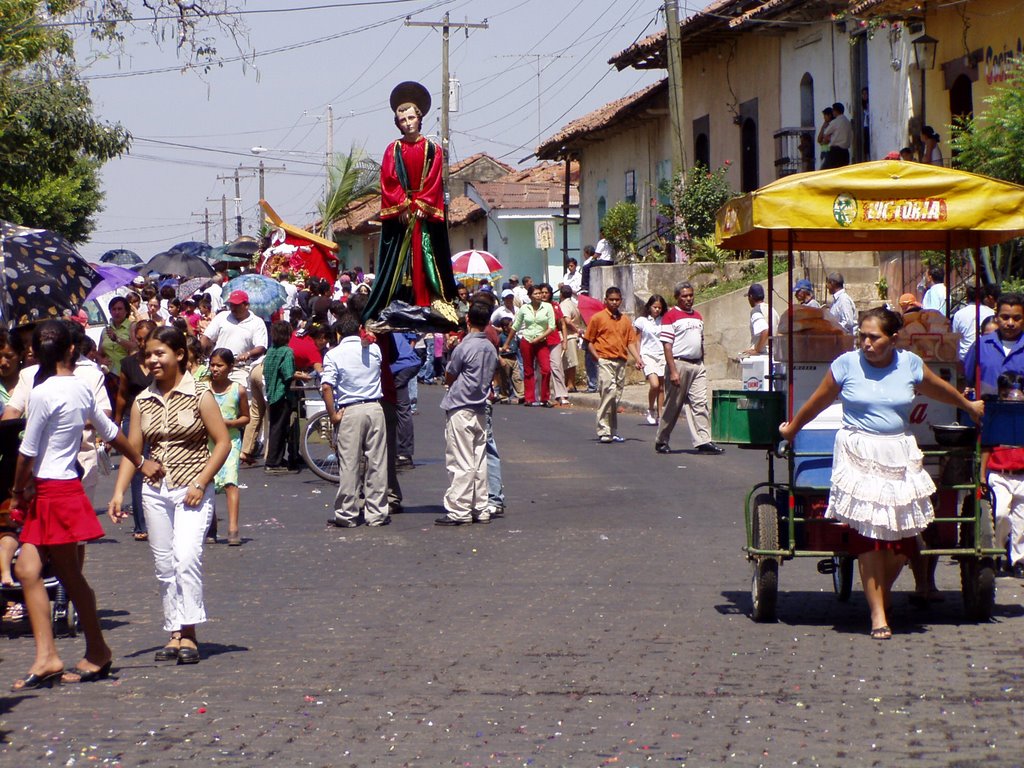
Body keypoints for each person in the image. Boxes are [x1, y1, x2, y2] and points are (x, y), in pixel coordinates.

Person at [779, 307, 983, 639]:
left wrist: (968, 406)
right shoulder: (845, 364)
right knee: (870, 538)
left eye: (873, 337)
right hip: (858, 450)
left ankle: (881, 596)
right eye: (862, 336)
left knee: (903, 538)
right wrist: (792, 429)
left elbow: (940, 389)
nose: (866, 343)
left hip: (898, 450)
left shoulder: (910, 364)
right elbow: (818, 401)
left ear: (893, 339)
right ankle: (878, 615)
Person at [9, 321, 154, 690]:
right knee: (28, 571)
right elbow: (109, 430)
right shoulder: (81, 387)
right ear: (71, 350)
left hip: (52, 489)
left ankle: (97, 650)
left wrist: (15, 490)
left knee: (69, 576)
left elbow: (27, 450)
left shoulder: (43, 391)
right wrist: (140, 461)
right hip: (56, 488)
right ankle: (48, 657)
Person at [108, 326, 231, 665]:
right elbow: (133, 452)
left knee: (187, 556)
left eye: (159, 353)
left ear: (178, 354)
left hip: (192, 490)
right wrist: (119, 493)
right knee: (164, 565)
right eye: (148, 354)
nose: (152, 360)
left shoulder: (200, 394)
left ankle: (190, 632)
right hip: (155, 493)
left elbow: (222, 442)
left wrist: (202, 481)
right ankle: (174, 631)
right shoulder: (142, 401)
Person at [363, 81, 458, 322]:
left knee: (426, 252)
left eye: (411, 118)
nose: (408, 123)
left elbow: (435, 179)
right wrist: (403, 205)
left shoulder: (432, 149)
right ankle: (396, 299)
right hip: (402, 212)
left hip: (423, 211)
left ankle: (429, 300)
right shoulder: (392, 149)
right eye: (403, 120)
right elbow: (388, 180)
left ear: (419, 118)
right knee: (397, 257)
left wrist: (422, 205)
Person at [321, 312, 389, 528]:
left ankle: (347, 513)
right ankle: (376, 513)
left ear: (338, 333)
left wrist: (332, 414)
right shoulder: (374, 349)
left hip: (350, 410)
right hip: (374, 408)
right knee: (377, 463)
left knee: (349, 465)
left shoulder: (334, 354)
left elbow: (326, 387)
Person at [435, 303, 499, 526]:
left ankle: (459, 510)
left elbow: (450, 373)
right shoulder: (490, 347)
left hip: (461, 406)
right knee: (479, 460)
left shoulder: (464, 346)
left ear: (468, 321)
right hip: (480, 406)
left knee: (461, 461)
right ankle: (480, 507)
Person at [201, 290, 268, 465]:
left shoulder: (256, 322)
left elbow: (261, 347)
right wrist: (202, 349)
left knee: (239, 403)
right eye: (231, 305)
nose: (234, 308)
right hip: (216, 365)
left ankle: (243, 443)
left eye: (237, 305)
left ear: (246, 305)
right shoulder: (222, 317)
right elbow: (207, 336)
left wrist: (247, 354)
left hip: (240, 368)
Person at [655, 282, 722, 455]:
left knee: (700, 403)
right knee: (673, 405)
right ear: (677, 297)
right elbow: (667, 346)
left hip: (697, 365)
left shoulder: (698, 316)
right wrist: (673, 371)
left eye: (691, 295)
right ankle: (662, 440)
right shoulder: (671, 316)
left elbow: (700, 342)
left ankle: (703, 440)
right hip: (679, 364)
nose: (688, 299)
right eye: (684, 296)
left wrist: (702, 362)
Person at [114, 320, 157, 542]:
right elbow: (122, 395)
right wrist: (117, 422)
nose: (141, 343)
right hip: (134, 419)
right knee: (137, 467)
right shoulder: (128, 364)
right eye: (138, 339)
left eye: (145, 338)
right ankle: (141, 524)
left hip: (159, 418)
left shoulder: (160, 362)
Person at [584, 286, 642, 444]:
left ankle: (612, 430)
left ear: (621, 300)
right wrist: (597, 357)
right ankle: (603, 429)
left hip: (620, 361)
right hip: (605, 360)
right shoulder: (598, 318)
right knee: (608, 392)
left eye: (617, 300)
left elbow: (630, 341)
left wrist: (638, 358)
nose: (614, 302)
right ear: (605, 300)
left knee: (615, 397)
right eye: (611, 300)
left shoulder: (624, 320)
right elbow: (588, 341)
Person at [981, 372, 1024, 578]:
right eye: (1007, 394)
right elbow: (986, 448)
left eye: (1016, 394)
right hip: (999, 474)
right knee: (1000, 515)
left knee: (1021, 520)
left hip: (1021, 475)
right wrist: (981, 475)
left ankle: (1017, 560)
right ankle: (998, 552)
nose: (1012, 398)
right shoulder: (995, 417)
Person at [206, 349, 249, 546]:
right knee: (209, 484)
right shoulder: (204, 389)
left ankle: (233, 527)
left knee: (231, 482)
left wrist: (230, 423)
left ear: (229, 367)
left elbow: (245, 417)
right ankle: (210, 526)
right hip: (207, 442)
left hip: (230, 442)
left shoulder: (237, 390)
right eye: (212, 364)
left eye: (219, 365)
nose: (215, 369)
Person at [262, 321, 306, 475]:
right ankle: (273, 462)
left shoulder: (271, 351)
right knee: (280, 429)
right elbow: (288, 374)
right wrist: (302, 376)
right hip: (282, 394)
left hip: (272, 393)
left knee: (275, 427)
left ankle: (277, 459)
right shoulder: (287, 352)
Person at [964, 293, 1024, 398]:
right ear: (996, 317)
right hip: (988, 411)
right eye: (1005, 317)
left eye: (1017, 318)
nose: (1010, 323)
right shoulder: (980, 345)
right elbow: (966, 379)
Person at [506, 284, 556, 407]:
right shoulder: (524, 308)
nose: (539, 295)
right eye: (536, 294)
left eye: (540, 293)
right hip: (526, 340)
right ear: (530, 296)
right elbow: (516, 326)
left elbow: (552, 326)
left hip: (541, 341)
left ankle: (545, 398)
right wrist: (507, 342)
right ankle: (529, 398)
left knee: (546, 369)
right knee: (528, 370)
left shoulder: (548, 307)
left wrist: (539, 338)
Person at [634, 294, 667, 426]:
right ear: (649, 307)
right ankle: (650, 408)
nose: (657, 310)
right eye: (655, 307)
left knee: (661, 387)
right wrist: (638, 357)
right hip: (647, 354)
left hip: (662, 355)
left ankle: (660, 414)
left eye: (659, 308)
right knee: (654, 384)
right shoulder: (642, 321)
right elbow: (637, 340)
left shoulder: (664, 320)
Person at [951, 283, 998, 362]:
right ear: (984, 297)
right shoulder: (992, 313)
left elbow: (955, 338)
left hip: (964, 358)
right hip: (986, 355)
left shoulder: (959, 314)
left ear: (967, 298)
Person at [742, 284, 779, 357]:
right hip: (773, 354)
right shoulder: (772, 309)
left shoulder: (756, 311)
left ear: (751, 297)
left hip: (761, 356)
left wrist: (756, 350)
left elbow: (765, 331)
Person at [559, 285, 583, 392]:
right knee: (570, 362)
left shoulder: (564, 305)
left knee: (569, 362)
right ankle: (570, 383)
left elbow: (567, 321)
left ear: (561, 294)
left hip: (568, 336)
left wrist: (576, 330)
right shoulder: (574, 304)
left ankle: (570, 384)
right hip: (572, 336)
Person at [820, 102, 853, 169]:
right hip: (845, 152)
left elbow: (825, 133)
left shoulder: (835, 122)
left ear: (835, 111)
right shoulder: (847, 122)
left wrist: (829, 138)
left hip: (835, 151)